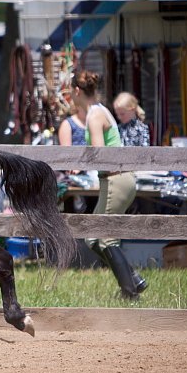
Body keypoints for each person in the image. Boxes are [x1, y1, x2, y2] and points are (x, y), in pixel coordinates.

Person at [71, 71, 148, 300]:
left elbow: (99, 155)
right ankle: (133, 278)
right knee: (92, 239)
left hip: (116, 179)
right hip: (113, 179)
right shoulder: (99, 111)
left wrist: (77, 162)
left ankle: (130, 292)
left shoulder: (95, 115)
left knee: (105, 238)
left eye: (70, 92)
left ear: (77, 91)